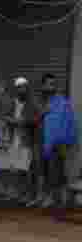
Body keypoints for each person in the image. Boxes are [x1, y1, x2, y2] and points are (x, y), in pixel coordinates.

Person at [34, 73, 78, 216]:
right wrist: (41, 113)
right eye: (48, 84)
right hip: (41, 143)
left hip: (56, 145)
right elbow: (31, 120)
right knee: (42, 173)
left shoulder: (62, 102)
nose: (51, 86)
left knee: (57, 175)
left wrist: (67, 143)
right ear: (42, 86)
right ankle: (45, 201)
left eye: (53, 84)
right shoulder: (39, 102)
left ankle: (58, 205)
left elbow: (69, 122)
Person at [3, 77, 40, 204]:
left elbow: (36, 120)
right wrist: (12, 121)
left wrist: (23, 122)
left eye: (24, 87)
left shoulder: (32, 104)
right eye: (20, 88)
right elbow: (6, 118)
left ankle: (29, 196)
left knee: (27, 169)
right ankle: (18, 194)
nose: (22, 90)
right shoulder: (12, 103)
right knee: (16, 169)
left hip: (27, 141)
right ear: (16, 90)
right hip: (14, 140)